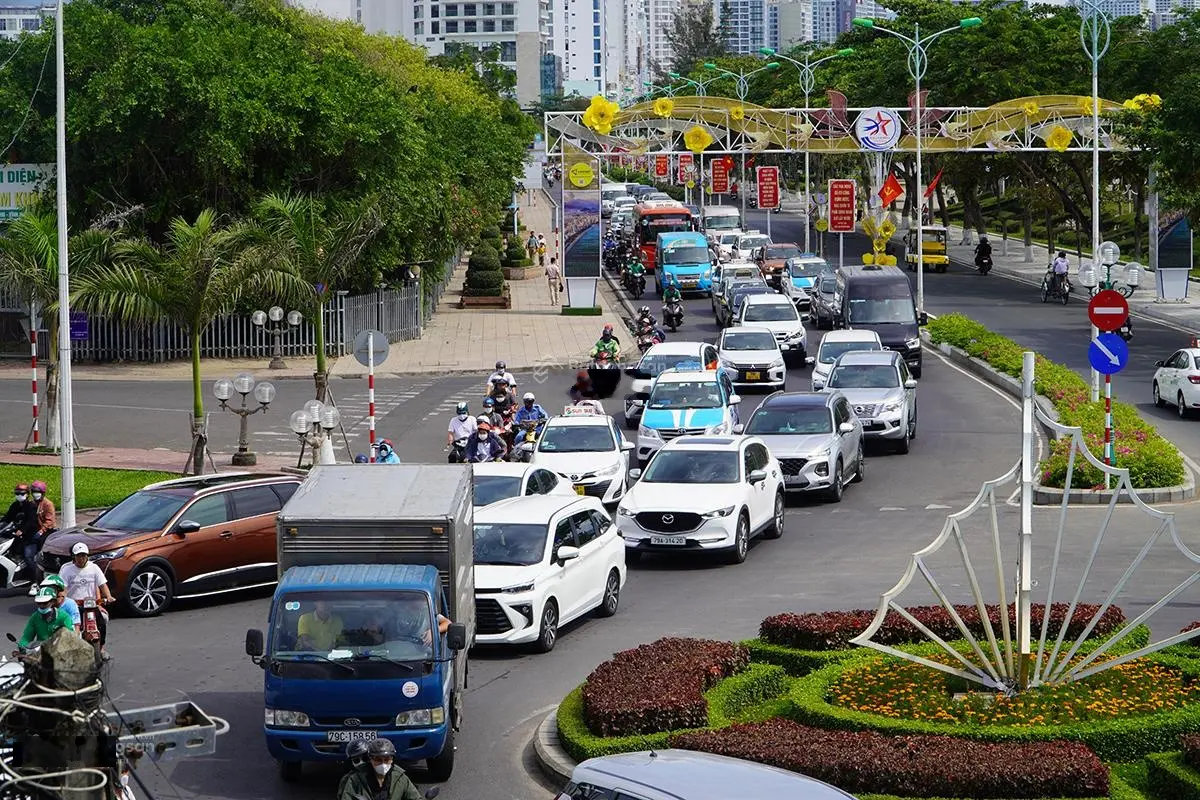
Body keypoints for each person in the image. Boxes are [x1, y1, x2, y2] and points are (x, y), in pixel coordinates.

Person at [59, 543, 115, 652]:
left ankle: (101, 647)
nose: (81, 558)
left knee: (102, 621)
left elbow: (102, 585)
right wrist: (63, 600)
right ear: (73, 557)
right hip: (74, 605)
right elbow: (63, 589)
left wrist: (108, 596)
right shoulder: (66, 569)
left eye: (83, 555)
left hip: (92, 604)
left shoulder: (94, 568)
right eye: (78, 556)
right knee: (71, 625)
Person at [336, 739, 424, 800]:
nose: (383, 764)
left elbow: (415, 797)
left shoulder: (400, 778)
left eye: (386, 760)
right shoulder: (354, 780)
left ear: (392, 760)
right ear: (371, 759)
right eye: (378, 760)